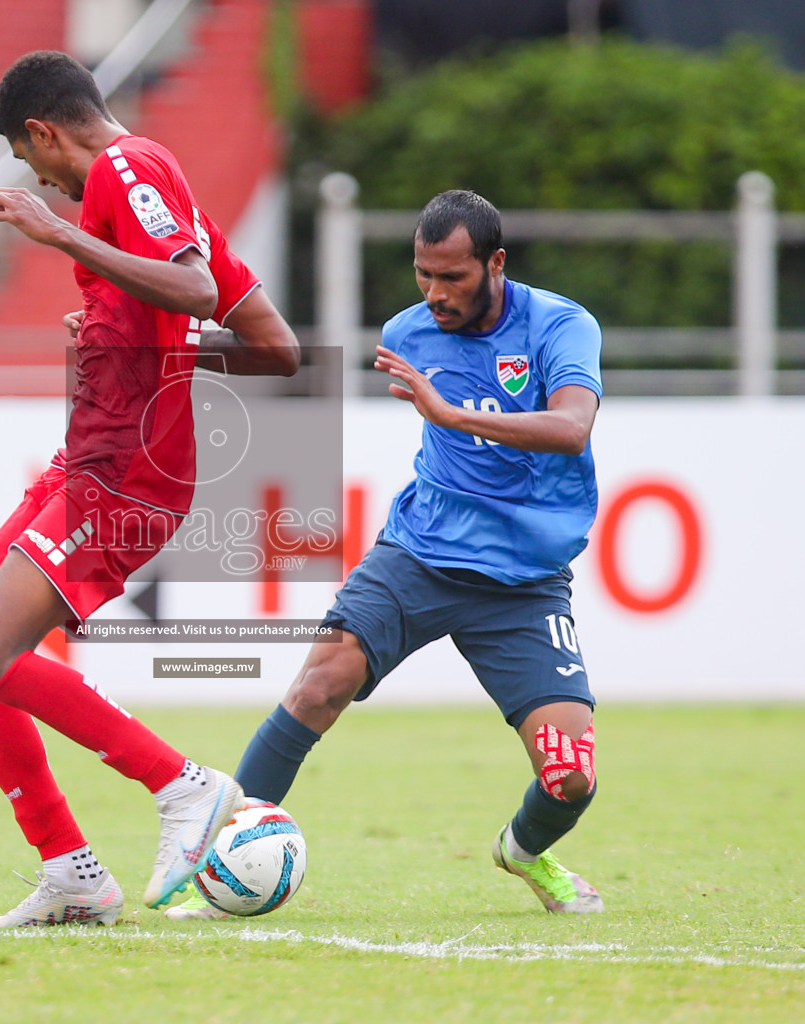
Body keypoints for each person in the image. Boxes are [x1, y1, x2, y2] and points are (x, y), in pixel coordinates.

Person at [168, 188, 606, 919]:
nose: (436, 294)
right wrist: (180, 352)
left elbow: (571, 428)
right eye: (423, 275)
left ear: (496, 264)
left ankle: (523, 851)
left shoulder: (561, 325)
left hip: (525, 582)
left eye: (454, 278)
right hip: (419, 554)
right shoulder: (407, 332)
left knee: (570, 779)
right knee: (317, 686)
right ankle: (217, 875)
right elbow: (282, 360)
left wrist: (447, 412)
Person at [0, 50, 300, 929]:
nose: (46, 187)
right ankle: (71, 871)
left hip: (130, 473)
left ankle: (183, 784)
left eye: (35, 166)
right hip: (89, 461)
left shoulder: (128, 170)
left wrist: (61, 235)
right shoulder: (157, 196)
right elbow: (275, 346)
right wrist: (131, 334)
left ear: (44, 131)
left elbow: (197, 287)